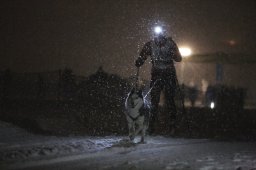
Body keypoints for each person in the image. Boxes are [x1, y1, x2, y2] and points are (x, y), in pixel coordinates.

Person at [135, 27, 182, 135]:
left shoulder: (170, 44)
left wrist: (173, 52)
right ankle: (151, 127)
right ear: (155, 36)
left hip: (169, 74)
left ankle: (172, 126)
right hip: (156, 75)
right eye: (157, 37)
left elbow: (179, 59)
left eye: (161, 37)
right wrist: (139, 61)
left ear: (164, 36)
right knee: (154, 101)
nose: (159, 39)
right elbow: (142, 57)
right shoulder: (150, 45)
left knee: (169, 100)